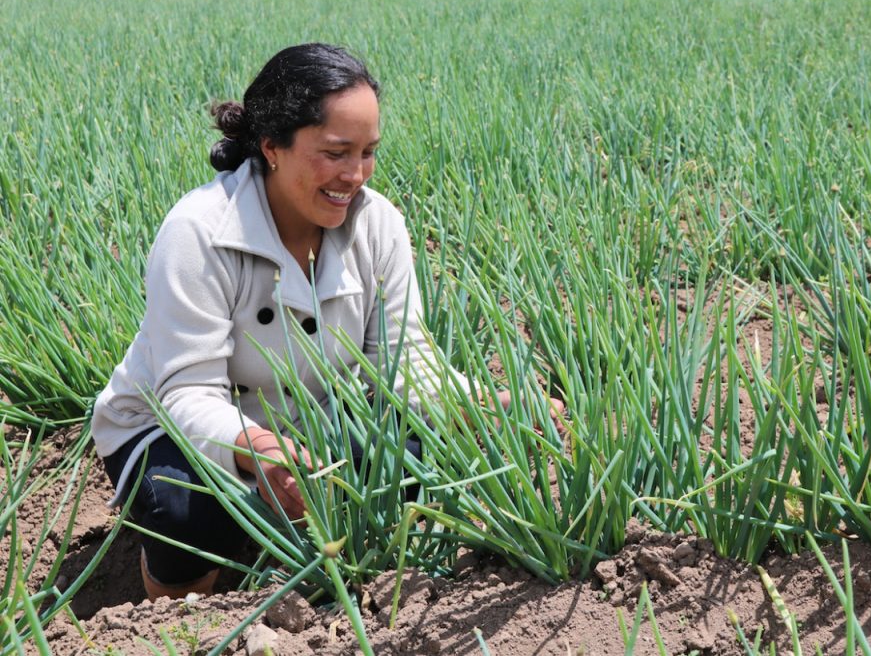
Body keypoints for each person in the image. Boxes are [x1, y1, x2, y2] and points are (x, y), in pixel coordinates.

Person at [90, 43, 563, 601]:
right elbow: (188, 394)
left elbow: (404, 364)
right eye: (337, 152)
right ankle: (179, 611)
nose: (356, 174)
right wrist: (258, 447)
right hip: (173, 429)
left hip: (309, 422)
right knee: (184, 506)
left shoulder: (378, 226)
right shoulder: (199, 232)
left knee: (416, 457)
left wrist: (488, 405)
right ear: (271, 147)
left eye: (368, 152)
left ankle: (287, 540)